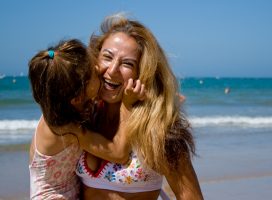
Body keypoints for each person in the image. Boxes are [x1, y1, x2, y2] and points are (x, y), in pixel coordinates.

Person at [76, 14, 204, 200]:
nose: (112, 70)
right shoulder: (85, 114)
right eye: (107, 57)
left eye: (127, 63)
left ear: (143, 72)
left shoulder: (157, 128)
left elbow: (190, 196)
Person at [28, 39, 145, 199]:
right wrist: (127, 104)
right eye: (94, 73)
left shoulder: (61, 107)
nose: (100, 68)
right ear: (78, 97)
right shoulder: (68, 128)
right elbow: (119, 153)